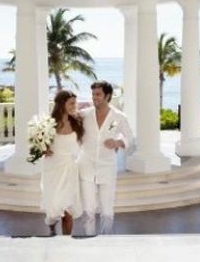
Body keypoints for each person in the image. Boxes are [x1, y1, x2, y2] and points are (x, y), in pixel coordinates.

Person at [77, 80, 134, 235]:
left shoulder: (119, 116)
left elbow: (130, 137)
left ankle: (106, 242)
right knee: (88, 209)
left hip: (107, 167)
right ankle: (89, 241)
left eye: (98, 94)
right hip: (86, 165)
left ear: (107, 96)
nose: (94, 97)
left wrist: (117, 142)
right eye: (93, 94)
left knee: (107, 210)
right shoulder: (84, 115)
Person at [40, 90, 84, 236]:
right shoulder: (48, 124)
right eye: (71, 103)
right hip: (53, 168)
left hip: (70, 167)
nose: (74, 106)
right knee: (54, 207)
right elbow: (39, 146)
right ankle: (51, 223)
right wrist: (43, 150)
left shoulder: (77, 120)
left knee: (67, 209)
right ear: (61, 104)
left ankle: (66, 242)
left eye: (75, 103)